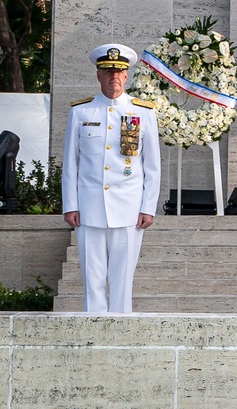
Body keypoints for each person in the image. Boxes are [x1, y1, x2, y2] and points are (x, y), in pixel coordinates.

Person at [62, 43, 161, 313]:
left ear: (127, 76)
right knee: (92, 277)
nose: (113, 78)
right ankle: (93, 326)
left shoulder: (143, 112)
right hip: (89, 207)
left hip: (129, 209)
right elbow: (71, 162)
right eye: (107, 72)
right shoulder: (81, 112)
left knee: (122, 279)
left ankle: (121, 328)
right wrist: (70, 204)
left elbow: (152, 166)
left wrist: (147, 207)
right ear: (98, 75)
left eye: (119, 73)